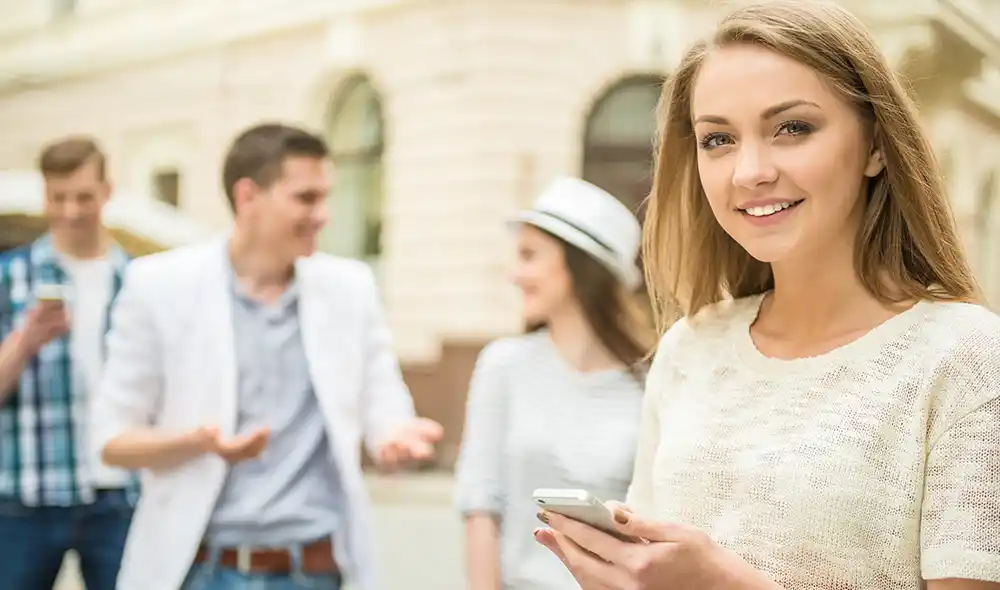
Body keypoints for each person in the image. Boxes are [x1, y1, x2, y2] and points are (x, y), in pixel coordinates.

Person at [535, 2, 1000, 589]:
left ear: (877, 147)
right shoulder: (690, 348)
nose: (749, 171)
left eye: (792, 128)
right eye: (718, 139)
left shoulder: (969, 357)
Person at [91, 122, 443, 590]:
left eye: (326, 196)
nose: (323, 214)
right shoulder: (159, 287)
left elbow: (383, 401)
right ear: (247, 197)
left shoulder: (349, 289)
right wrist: (199, 442)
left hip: (314, 571)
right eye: (306, 198)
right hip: (199, 571)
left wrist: (396, 437)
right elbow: (111, 440)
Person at [455, 176, 655, 589]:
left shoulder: (653, 382)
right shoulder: (502, 365)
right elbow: (480, 504)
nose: (514, 274)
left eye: (530, 256)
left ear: (581, 266)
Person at [0, 137, 135, 590]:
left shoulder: (139, 281)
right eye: (59, 197)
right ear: (45, 195)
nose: (71, 211)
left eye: (83, 196)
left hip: (120, 494)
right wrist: (25, 340)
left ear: (107, 192)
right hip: (27, 495)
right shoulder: (9, 277)